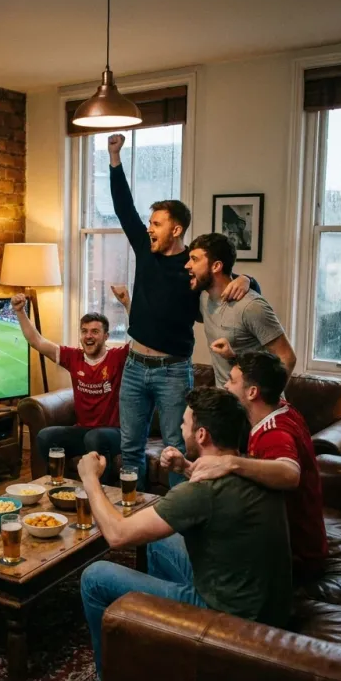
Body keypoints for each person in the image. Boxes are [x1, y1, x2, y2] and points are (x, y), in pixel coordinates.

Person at [61, 387, 292, 681]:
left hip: (229, 617)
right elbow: (216, 501)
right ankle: (164, 646)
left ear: (201, 433)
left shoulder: (200, 493)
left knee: (95, 577)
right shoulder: (251, 466)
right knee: (156, 540)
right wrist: (187, 467)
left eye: (184, 423)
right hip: (265, 604)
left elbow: (117, 535)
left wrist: (89, 480)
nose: (180, 429)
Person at [107, 134, 254, 491]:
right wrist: (114, 158)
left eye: (156, 224)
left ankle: (175, 519)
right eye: (150, 222)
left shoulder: (194, 266)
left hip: (172, 370)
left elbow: (225, 284)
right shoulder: (145, 249)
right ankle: (132, 517)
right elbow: (124, 207)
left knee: (175, 449)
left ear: (176, 229)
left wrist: (248, 280)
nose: (149, 228)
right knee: (130, 448)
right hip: (134, 366)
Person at [164, 352, 327, 579]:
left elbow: (290, 474)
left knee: (170, 538)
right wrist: (186, 468)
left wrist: (230, 462)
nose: (225, 385)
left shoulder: (274, 433)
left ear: (252, 392)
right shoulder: (282, 409)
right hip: (291, 544)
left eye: (231, 380)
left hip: (294, 555)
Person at [11, 293, 128, 485]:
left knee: (95, 437)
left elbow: (141, 343)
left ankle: (103, 495)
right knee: (45, 436)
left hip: (113, 433)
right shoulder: (73, 357)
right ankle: (57, 488)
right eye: (84, 331)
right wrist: (20, 311)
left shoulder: (117, 357)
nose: (88, 336)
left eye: (95, 332)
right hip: (83, 431)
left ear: (106, 336)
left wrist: (127, 304)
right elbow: (37, 341)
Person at [186, 233, 296, 387]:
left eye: (194, 259)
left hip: (256, 405)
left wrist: (267, 400)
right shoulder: (204, 298)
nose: (187, 265)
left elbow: (287, 358)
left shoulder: (251, 306)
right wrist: (247, 278)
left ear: (216, 266)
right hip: (226, 404)